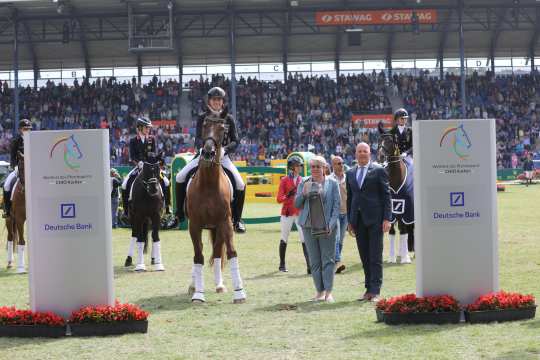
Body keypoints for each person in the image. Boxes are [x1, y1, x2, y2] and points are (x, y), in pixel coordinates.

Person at [175, 87, 246, 233]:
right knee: (180, 176)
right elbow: (198, 138)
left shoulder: (229, 118)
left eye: (219, 100)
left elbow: (236, 140)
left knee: (240, 184)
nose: (217, 102)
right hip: (205, 154)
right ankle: (179, 214)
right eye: (214, 99)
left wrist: (225, 150)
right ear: (210, 101)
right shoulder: (203, 117)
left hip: (223, 157)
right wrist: (206, 148)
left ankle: (237, 220)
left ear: (222, 102)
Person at [346, 143, 391, 302]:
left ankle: (375, 290)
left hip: (376, 220)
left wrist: (387, 218)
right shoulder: (350, 173)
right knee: (364, 256)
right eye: (359, 151)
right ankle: (368, 290)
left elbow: (387, 196)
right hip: (358, 221)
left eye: (365, 151)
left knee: (375, 256)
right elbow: (350, 199)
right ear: (356, 154)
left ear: (369, 153)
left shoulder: (378, 170)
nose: (362, 154)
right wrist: (350, 222)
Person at [295, 156, 341, 303]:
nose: (315, 169)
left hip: (327, 227)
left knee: (328, 260)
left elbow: (336, 207)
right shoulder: (304, 182)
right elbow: (296, 204)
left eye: (318, 166)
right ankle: (319, 292)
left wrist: (331, 224)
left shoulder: (333, 183)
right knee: (314, 261)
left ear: (324, 168)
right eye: (313, 166)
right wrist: (303, 193)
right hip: (308, 226)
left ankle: (329, 292)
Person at [276, 155, 310, 273]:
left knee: (304, 238)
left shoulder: (303, 180)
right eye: (298, 166)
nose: (299, 168)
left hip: (299, 213)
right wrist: (288, 196)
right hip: (287, 213)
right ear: (292, 167)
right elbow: (279, 199)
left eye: (300, 166)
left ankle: (309, 266)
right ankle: (282, 264)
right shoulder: (284, 180)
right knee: (284, 238)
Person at [121, 117, 156, 221]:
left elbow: (153, 154)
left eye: (149, 128)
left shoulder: (152, 139)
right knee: (124, 185)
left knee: (166, 182)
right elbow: (132, 156)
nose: (148, 129)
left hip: (150, 167)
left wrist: (152, 163)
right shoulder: (133, 141)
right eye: (146, 127)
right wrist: (139, 163)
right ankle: (126, 211)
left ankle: (167, 209)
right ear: (140, 128)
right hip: (138, 166)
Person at [3, 119, 32, 218]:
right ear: (20, 130)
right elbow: (12, 156)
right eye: (25, 129)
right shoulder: (16, 141)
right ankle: (7, 210)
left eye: (29, 129)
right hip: (19, 168)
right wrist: (15, 166)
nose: (27, 131)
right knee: (7, 185)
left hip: (32, 169)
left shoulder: (34, 140)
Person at [329, 155, 348, 274]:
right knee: (335, 238)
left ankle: (334, 265)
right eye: (338, 163)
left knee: (340, 239)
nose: (341, 165)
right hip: (334, 213)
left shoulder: (348, 178)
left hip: (346, 213)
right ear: (333, 165)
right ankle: (337, 262)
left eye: (342, 163)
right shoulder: (329, 179)